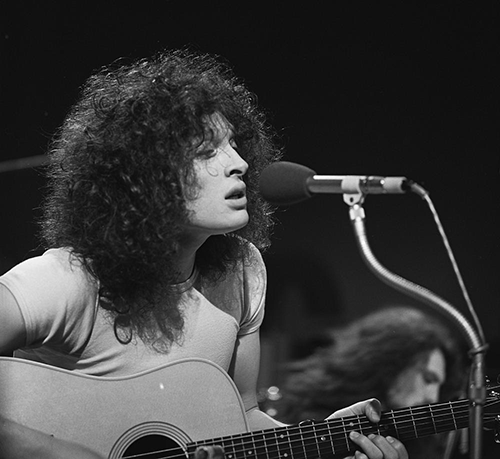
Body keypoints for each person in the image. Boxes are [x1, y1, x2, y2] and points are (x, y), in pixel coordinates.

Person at [0, 48, 408, 459]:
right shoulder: (70, 279)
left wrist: (323, 440)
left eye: (233, 145)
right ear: (145, 176)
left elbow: (242, 418)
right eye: (207, 151)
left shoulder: (243, 272)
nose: (240, 163)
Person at [273, 306, 467, 459]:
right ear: (393, 364)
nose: (433, 397)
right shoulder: (307, 416)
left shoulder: (417, 444)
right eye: (428, 379)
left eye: (439, 387)